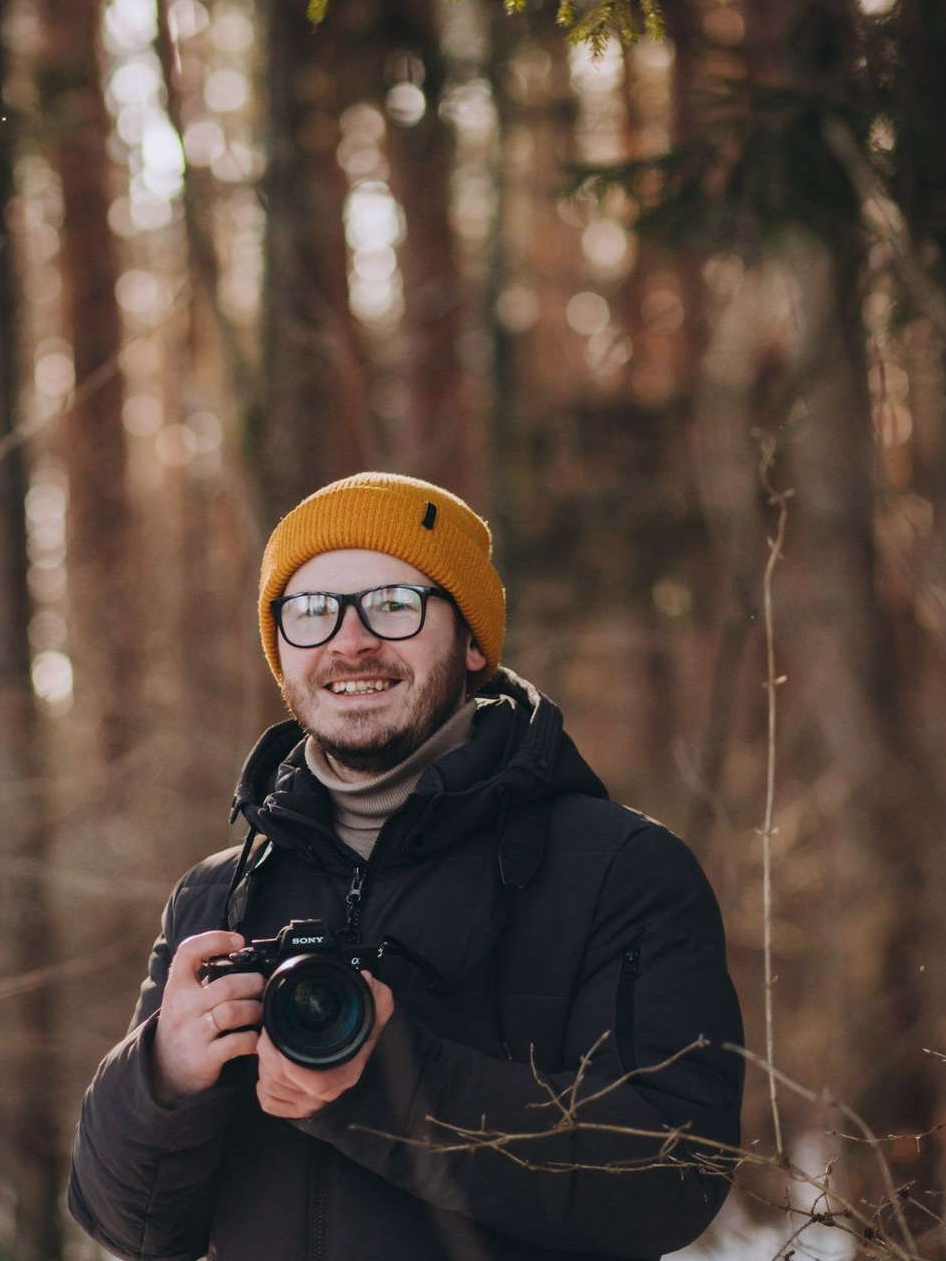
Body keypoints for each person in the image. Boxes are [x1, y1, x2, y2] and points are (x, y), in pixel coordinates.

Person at [68, 472, 745, 1261]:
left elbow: (673, 1179)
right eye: (312, 612)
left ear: (473, 639)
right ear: (281, 649)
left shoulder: (619, 872)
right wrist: (160, 1078)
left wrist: (385, 1084)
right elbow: (132, 1227)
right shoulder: (220, 895)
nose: (350, 642)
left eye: (394, 603)